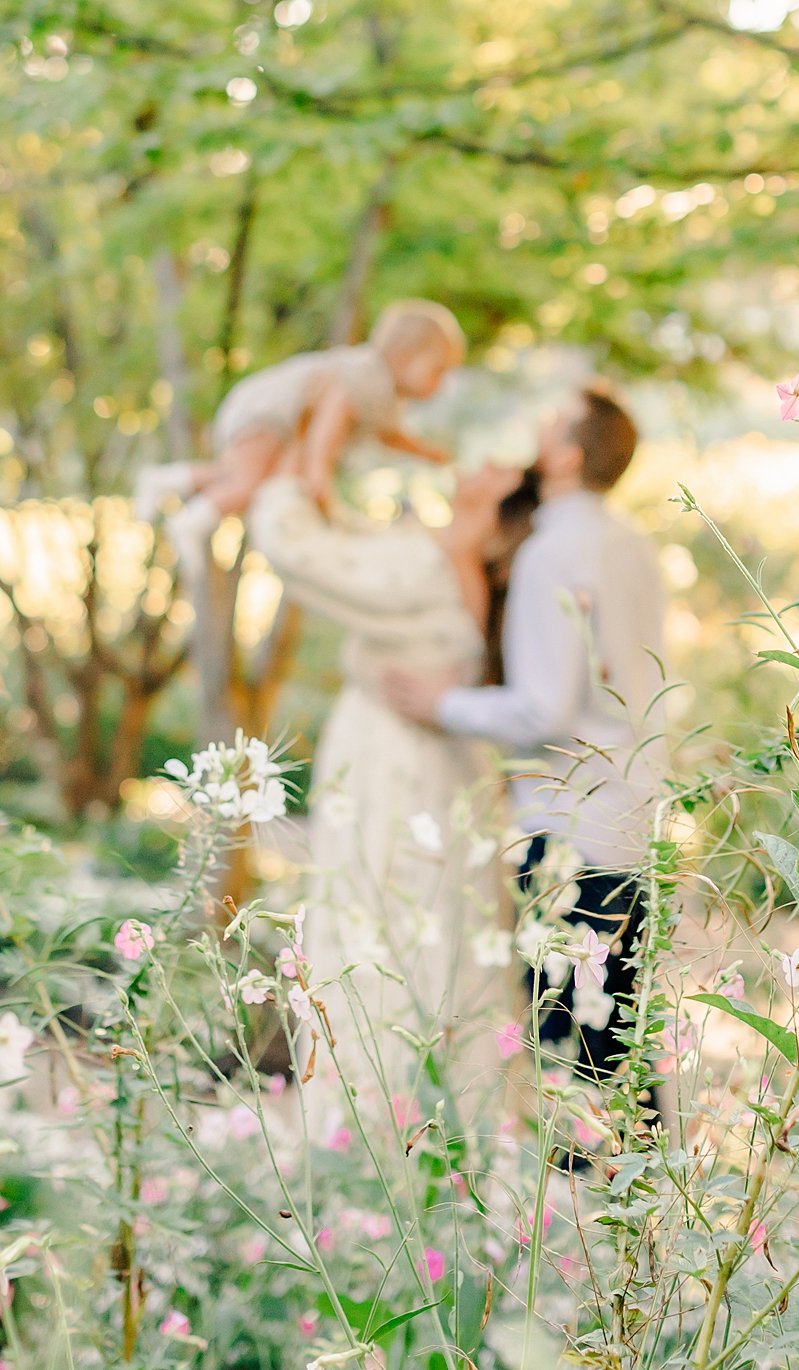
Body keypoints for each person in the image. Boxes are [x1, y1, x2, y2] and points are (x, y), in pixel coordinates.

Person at [384, 387, 665, 1084]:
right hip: (634, 809)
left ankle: (581, 1188)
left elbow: (545, 709)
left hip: (570, 821)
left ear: (567, 454)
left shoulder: (553, 552)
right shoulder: (631, 545)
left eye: (549, 420)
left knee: (569, 1044)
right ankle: (643, 1190)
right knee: (620, 1040)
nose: (535, 424)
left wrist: (443, 704)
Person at [246, 462, 538, 1116]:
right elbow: (354, 540)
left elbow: (307, 557)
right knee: (430, 915)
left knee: (386, 909)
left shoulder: (431, 563)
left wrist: (282, 474)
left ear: (502, 505)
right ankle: (440, 1104)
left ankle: (380, 1106)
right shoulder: (439, 557)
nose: (484, 462)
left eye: (504, 469)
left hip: (393, 758)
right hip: (447, 765)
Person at [134, 300, 465, 576]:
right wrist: (317, 468)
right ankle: (192, 522)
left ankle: (166, 480)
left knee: (247, 480)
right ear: (405, 356)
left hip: (263, 411)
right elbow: (333, 414)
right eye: (438, 371)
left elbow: (390, 437)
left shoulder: (386, 397)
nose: (441, 384)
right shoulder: (368, 375)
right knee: (248, 484)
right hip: (270, 411)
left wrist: (428, 454)